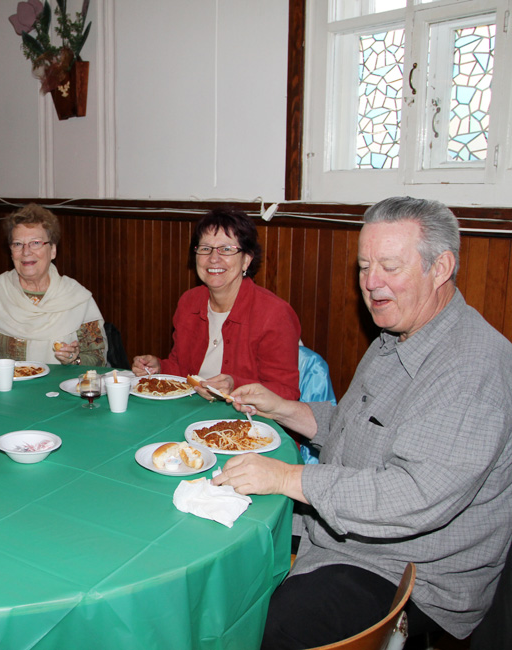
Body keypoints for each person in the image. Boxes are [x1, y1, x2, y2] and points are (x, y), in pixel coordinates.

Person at [213, 197, 512, 647]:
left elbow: (415, 496)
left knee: (272, 628)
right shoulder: (398, 334)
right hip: (347, 534)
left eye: (390, 266)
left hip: (411, 572)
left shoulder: (473, 366)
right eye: (364, 266)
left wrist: (288, 477)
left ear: (442, 267)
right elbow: (358, 426)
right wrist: (283, 408)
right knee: (221, 537)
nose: (372, 283)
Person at [132, 209, 300, 400]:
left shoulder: (274, 313)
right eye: (205, 248)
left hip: (247, 420)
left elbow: (287, 393)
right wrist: (160, 367)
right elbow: (182, 369)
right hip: (190, 410)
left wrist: (236, 386)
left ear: (246, 260)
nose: (213, 258)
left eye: (226, 249)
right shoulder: (189, 302)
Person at [0, 204, 107, 368]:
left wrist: (75, 359)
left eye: (36, 243)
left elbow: (98, 360)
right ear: (11, 252)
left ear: (52, 250)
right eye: (18, 244)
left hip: (61, 391)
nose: (26, 252)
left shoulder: (77, 298)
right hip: (8, 390)